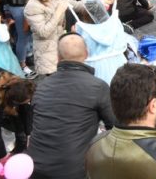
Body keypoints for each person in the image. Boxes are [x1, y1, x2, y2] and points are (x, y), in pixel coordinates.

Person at [28, 33, 115, 179]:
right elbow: (114, 127)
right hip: (75, 170)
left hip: (35, 166)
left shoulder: (42, 86)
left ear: (58, 57)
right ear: (86, 54)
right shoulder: (97, 86)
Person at [25, 0, 76, 75]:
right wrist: (58, 12)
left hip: (60, 49)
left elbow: (76, 4)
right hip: (47, 55)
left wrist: (99, 3)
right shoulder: (32, 6)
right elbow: (43, 32)